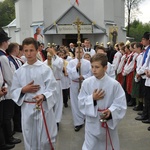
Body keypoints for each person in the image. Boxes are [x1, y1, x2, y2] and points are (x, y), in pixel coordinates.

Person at [11, 37, 57, 150]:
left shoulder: (45, 69)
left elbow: (53, 89)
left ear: (37, 51)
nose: (28, 54)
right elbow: (13, 91)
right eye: (26, 50)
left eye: (31, 50)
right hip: (27, 108)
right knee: (29, 137)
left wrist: (43, 95)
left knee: (45, 139)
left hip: (43, 107)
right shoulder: (19, 72)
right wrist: (23, 90)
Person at [78, 53, 127, 150]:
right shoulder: (86, 83)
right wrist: (92, 98)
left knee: (107, 146)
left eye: (97, 67)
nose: (93, 70)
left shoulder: (114, 84)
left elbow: (120, 103)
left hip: (107, 123)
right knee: (89, 147)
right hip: (92, 122)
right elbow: (81, 102)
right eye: (92, 67)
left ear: (105, 68)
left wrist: (111, 111)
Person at [0, 28, 21, 149]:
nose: (8, 43)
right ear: (3, 42)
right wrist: (17, 88)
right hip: (6, 91)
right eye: (7, 41)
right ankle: (8, 138)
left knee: (6, 117)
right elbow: (8, 77)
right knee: (6, 116)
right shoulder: (3, 57)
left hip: (5, 89)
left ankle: (7, 138)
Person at [67, 47, 91, 132]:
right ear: (75, 53)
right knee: (75, 103)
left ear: (83, 53)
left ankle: (85, 117)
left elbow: (90, 73)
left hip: (84, 84)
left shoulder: (88, 63)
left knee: (84, 101)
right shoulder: (71, 62)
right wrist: (76, 68)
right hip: (74, 84)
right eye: (77, 52)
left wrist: (83, 77)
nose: (79, 53)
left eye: (80, 52)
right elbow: (69, 73)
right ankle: (78, 122)